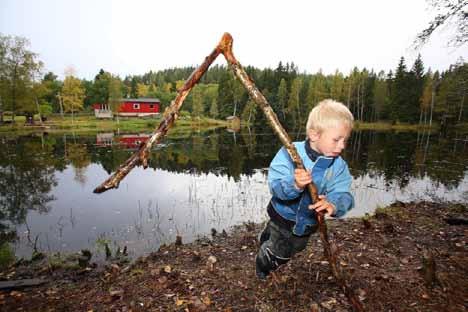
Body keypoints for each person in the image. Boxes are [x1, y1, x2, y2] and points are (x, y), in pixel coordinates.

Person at [256, 99, 354, 279]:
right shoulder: (289, 152)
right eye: (336, 139)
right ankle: (263, 268)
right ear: (314, 134)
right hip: (282, 217)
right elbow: (275, 186)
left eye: (345, 140)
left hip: (308, 225)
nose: (342, 146)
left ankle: (268, 238)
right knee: (280, 253)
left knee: (297, 247)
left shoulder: (339, 166)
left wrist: (333, 204)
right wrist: (294, 184)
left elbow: (344, 193)